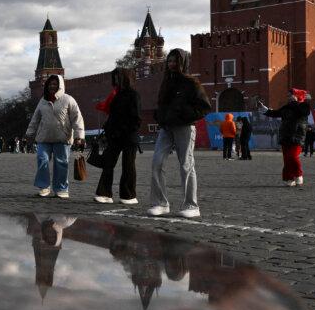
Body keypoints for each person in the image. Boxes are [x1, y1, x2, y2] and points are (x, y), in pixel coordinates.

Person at [147, 49, 211, 218]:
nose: (171, 64)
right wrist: (160, 116)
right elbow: (161, 104)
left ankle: (191, 205)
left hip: (184, 127)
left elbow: (204, 107)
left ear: (182, 63)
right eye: (169, 61)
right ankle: (160, 203)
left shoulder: (192, 83)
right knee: (156, 162)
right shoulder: (166, 82)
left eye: (175, 61)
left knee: (186, 165)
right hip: (166, 128)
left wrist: (183, 115)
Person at [26, 74, 85, 199]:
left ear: (60, 85)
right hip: (44, 138)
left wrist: (79, 136)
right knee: (42, 160)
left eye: (55, 84)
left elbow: (77, 118)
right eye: (50, 84)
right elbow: (35, 119)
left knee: (61, 163)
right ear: (47, 86)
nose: (52, 86)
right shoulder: (43, 101)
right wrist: (29, 133)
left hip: (62, 138)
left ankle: (61, 189)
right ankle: (44, 187)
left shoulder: (68, 99)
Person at [93, 67, 141, 205]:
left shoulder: (133, 95)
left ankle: (128, 195)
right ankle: (104, 193)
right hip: (114, 136)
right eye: (114, 78)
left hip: (128, 136)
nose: (115, 81)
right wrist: (109, 129)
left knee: (128, 166)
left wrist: (123, 130)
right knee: (108, 164)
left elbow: (136, 119)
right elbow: (112, 116)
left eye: (117, 78)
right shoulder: (117, 95)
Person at [259, 88, 311, 187]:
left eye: (290, 95)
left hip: (297, 135)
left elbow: (304, 113)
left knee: (293, 156)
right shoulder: (286, 107)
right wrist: (265, 109)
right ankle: (289, 178)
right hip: (285, 135)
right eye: (288, 96)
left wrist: (295, 103)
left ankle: (298, 174)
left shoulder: (304, 105)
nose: (288, 97)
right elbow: (275, 113)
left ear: (297, 95)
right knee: (287, 159)